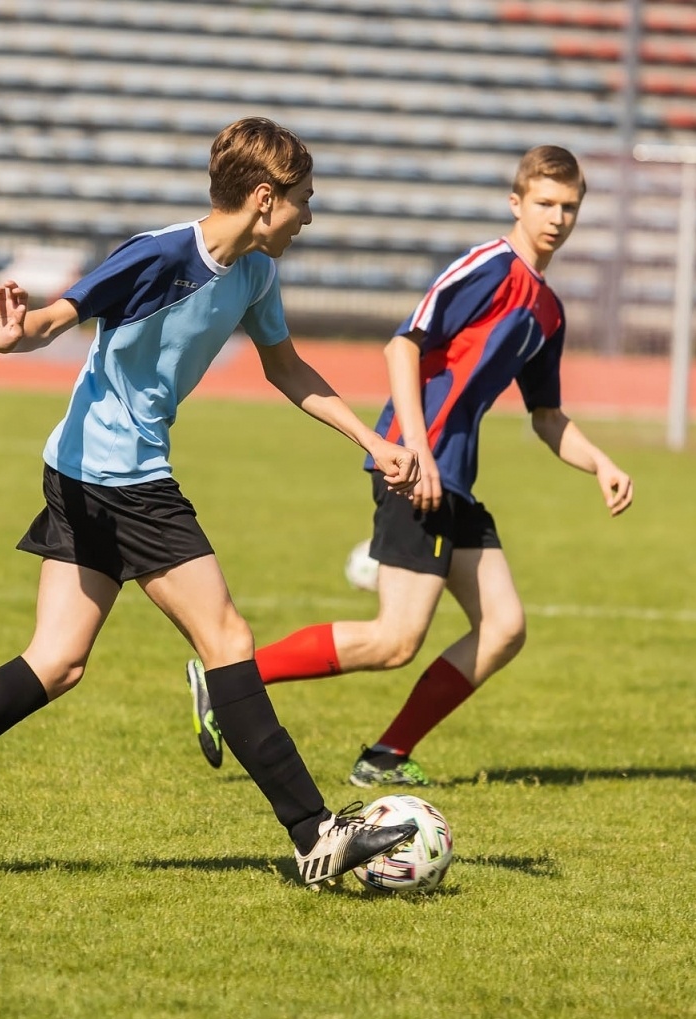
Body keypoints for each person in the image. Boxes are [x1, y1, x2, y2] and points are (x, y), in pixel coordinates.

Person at [0, 117, 422, 885]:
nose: (308, 216)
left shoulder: (253, 273)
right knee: (227, 638)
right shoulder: (158, 256)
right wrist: (20, 334)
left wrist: (369, 439)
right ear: (263, 198)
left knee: (55, 661)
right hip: (122, 480)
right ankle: (315, 831)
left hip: (82, 471)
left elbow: (287, 368)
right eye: (303, 201)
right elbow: (61, 313)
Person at [189, 146, 634, 788]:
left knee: (504, 628)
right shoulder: (488, 267)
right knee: (395, 639)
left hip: (454, 481)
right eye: (544, 203)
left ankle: (386, 755)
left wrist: (600, 464)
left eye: (569, 207)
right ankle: (226, 676)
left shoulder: (548, 311)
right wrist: (417, 449)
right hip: (413, 468)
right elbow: (403, 343)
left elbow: (546, 416)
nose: (557, 218)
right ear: (517, 203)